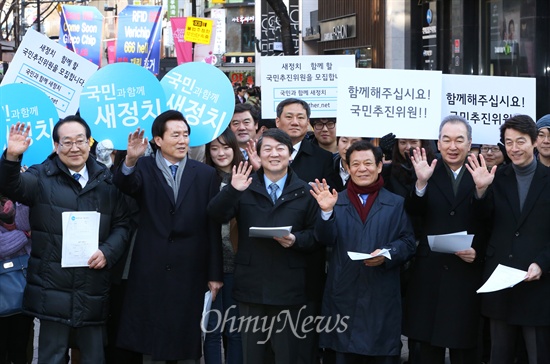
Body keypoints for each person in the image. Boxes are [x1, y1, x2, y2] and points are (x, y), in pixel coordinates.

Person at [0, 116, 130, 364]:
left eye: (80, 141)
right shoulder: (41, 176)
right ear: (56, 146)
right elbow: (12, 185)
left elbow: (122, 224)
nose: (74, 148)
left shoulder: (106, 180)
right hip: (52, 289)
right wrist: (11, 158)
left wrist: (107, 252)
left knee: (93, 357)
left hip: (93, 287)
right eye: (66, 142)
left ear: (89, 143)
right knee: (52, 357)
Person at [114, 110, 223, 363]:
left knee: (187, 339)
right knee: (151, 340)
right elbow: (125, 185)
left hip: (190, 267)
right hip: (151, 265)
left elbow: (212, 225)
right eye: (175, 135)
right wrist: (130, 160)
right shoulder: (143, 167)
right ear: (158, 140)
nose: (182, 140)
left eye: (185, 134)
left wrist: (214, 273)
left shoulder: (205, 174)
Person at [207, 128, 319, 364]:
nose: (274, 154)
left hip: (289, 287)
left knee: (287, 355)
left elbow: (317, 236)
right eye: (267, 149)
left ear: (290, 154)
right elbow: (216, 214)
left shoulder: (306, 192)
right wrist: (232, 190)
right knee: (252, 355)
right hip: (251, 285)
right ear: (258, 155)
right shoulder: (245, 186)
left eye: (280, 149)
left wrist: (296, 240)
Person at [310, 141, 416, 364]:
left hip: (381, 294)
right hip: (343, 292)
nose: (362, 168)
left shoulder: (395, 202)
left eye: (368, 163)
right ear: (347, 168)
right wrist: (326, 213)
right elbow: (324, 239)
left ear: (379, 166)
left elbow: (407, 242)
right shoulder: (334, 200)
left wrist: (388, 253)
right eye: (355, 164)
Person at [467, 114, 550, 364]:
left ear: (534, 141)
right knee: (498, 354)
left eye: (520, 141)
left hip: (537, 283)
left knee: (538, 355)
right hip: (500, 281)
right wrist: (481, 191)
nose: (514, 148)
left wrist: (543, 263)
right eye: (509, 142)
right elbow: (482, 222)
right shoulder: (496, 177)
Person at [402, 115, 484, 364]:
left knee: (465, 345)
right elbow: (413, 212)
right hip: (430, 271)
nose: (453, 146)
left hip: (466, 272)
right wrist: (421, 183)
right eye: (446, 139)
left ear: (469, 144)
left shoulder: (481, 172)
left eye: (460, 140)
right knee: (426, 348)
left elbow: (491, 221)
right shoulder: (425, 169)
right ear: (438, 144)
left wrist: (482, 190)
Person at [274, 98, 342, 364]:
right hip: (270, 256)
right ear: (277, 121)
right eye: (289, 116)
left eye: (301, 117)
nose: (295, 122)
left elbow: (333, 201)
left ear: (308, 124)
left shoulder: (324, 159)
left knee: (305, 336)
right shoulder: (264, 154)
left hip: (308, 255)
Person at [203, 128, 244, 364]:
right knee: (212, 330)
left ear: (234, 148)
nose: (220, 153)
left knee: (235, 331)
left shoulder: (248, 176)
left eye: (226, 147)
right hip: (212, 264)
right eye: (214, 148)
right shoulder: (204, 178)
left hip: (239, 264)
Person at [0, 194, 33, 364]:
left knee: (20, 349)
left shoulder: (20, 201)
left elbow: (28, 224)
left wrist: (18, 201)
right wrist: (25, 236)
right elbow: (2, 247)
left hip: (24, 291)